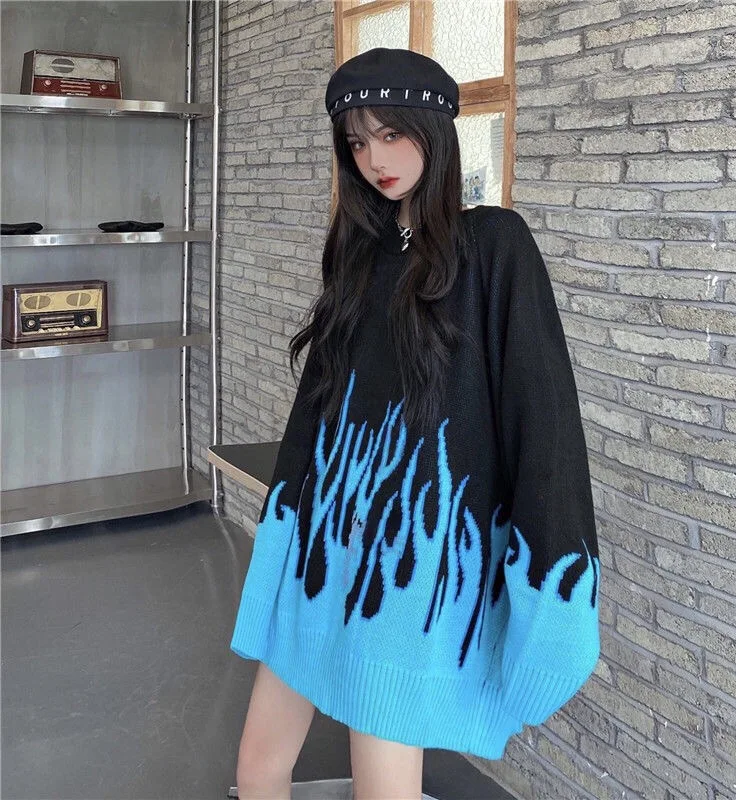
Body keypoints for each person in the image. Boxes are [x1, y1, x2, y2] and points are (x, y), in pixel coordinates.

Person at [230, 48, 601, 800]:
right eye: (357, 142)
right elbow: (316, 407)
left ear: (434, 132)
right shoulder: (359, 255)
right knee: (258, 767)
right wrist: (282, 533)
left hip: (406, 569)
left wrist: (551, 583)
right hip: (323, 550)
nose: (375, 160)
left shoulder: (493, 245)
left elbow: (543, 418)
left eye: (392, 134)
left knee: (384, 781)